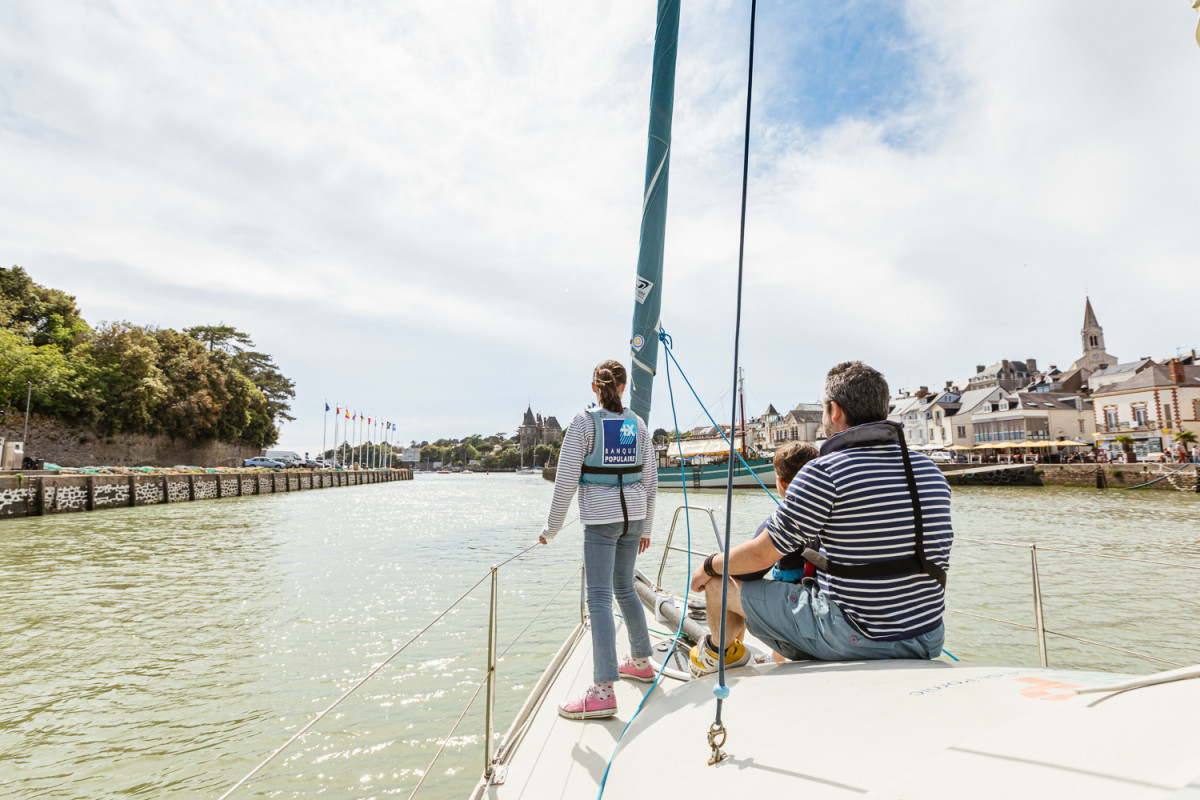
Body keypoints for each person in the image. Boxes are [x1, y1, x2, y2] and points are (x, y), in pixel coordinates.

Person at [689, 361, 952, 672]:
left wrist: (708, 565)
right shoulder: (929, 470)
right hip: (926, 636)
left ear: (835, 410)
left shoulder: (825, 471)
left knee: (719, 583)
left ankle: (716, 655)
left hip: (856, 636)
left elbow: (762, 554)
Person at [538, 359, 657, 719]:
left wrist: (551, 529)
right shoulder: (638, 425)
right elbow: (651, 484)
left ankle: (603, 690)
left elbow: (565, 483)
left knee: (600, 599)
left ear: (595, 388)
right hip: (634, 518)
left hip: (601, 522)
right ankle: (641, 661)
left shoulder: (582, 423)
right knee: (625, 588)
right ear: (623, 388)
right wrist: (647, 528)